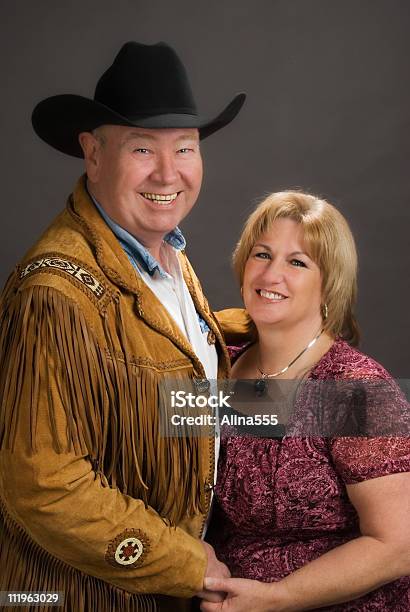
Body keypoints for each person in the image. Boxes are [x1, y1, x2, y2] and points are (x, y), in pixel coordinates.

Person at [0, 41, 247, 611]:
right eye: (143, 148)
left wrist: (358, 402)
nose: (169, 173)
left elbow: (164, 386)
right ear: (92, 153)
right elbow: (43, 484)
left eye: (185, 148)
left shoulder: (162, 253)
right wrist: (187, 563)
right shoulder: (55, 296)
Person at [202, 191, 410, 611]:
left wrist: (277, 599)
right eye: (262, 255)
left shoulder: (353, 389)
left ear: (328, 283)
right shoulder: (221, 363)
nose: (271, 274)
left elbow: (398, 544)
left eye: (297, 262)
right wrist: (197, 553)